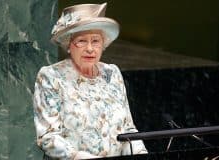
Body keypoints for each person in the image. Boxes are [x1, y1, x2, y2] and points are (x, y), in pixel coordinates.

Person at [33, 3, 147, 160]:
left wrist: (141, 154)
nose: (90, 48)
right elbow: (48, 137)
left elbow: (127, 129)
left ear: (103, 44)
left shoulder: (112, 73)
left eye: (95, 41)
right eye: (81, 41)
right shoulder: (51, 76)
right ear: (68, 44)